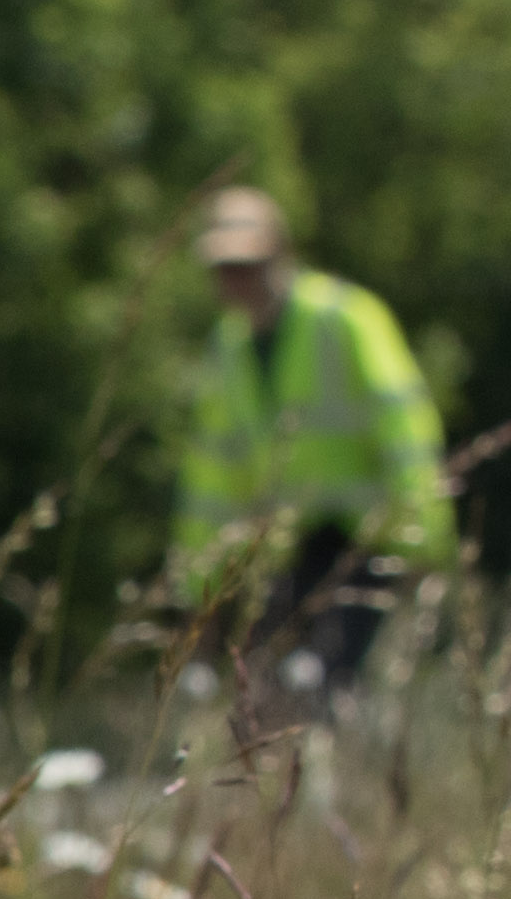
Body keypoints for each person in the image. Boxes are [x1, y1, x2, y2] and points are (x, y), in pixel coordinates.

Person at [175, 186, 450, 683]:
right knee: (277, 690)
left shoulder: (345, 317)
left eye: (246, 264)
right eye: (223, 268)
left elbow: (405, 427)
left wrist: (424, 539)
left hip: (369, 542)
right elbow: (211, 479)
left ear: (281, 254)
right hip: (289, 554)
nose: (234, 281)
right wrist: (201, 588)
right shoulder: (227, 348)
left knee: (331, 682)